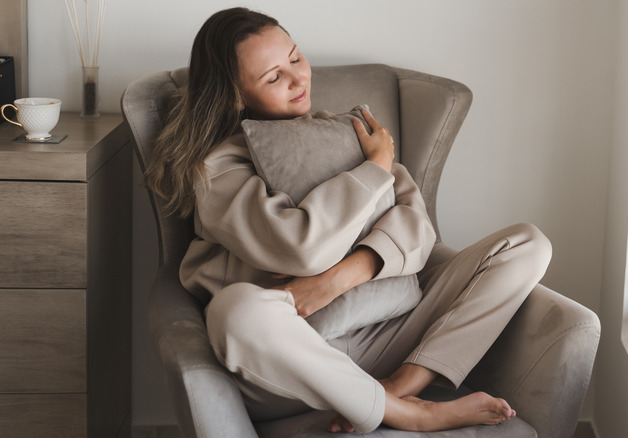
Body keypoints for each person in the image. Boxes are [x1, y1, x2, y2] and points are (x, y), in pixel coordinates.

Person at [145, 7, 552, 434]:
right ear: (235, 95)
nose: (298, 79)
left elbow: (418, 229)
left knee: (527, 243)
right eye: (273, 77)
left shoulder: (346, 132)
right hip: (296, 361)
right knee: (235, 312)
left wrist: (338, 279)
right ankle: (410, 413)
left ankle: (401, 385)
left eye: (296, 58)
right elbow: (300, 248)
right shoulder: (217, 169)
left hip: (388, 334)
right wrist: (375, 168)